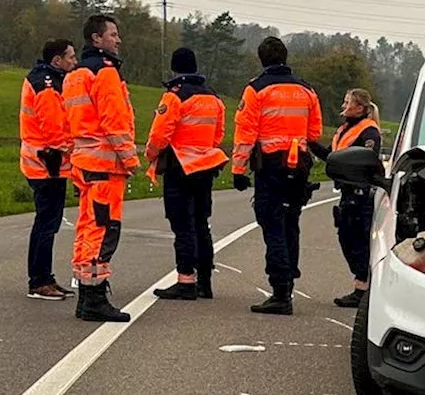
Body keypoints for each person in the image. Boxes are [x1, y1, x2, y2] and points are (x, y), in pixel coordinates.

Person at [232, 36, 324, 315]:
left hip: (271, 165)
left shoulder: (256, 89)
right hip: (299, 165)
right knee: (290, 223)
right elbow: (314, 133)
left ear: (261, 59)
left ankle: (280, 290)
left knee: (272, 226)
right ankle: (288, 283)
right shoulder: (306, 89)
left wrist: (238, 170)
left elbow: (245, 134)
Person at [63, 14, 138, 322]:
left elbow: (70, 123)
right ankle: (94, 298)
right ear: (97, 39)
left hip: (84, 161)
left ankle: (86, 293)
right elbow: (115, 121)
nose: (118, 40)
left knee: (86, 228)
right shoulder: (105, 74)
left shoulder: (73, 75)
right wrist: (130, 159)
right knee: (103, 230)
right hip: (106, 164)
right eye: (113, 34)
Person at [145, 47, 228, 301]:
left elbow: (160, 134)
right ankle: (205, 281)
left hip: (179, 167)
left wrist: (151, 155)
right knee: (202, 223)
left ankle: (185, 280)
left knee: (182, 225)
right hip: (205, 167)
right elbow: (219, 133)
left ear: (174, 69)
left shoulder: (174, 96)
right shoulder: (213, 97)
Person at [20, 38, 79, 301]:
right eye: (70, 57)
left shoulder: (45, 79)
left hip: (44, 164)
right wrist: (75, 151)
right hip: (45, 164)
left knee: (46, 223)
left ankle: (44, 277)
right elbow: (55, 130)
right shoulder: (47, 85)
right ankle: (40, 281)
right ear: (57, 60)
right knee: (47, 224)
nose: (74, 62)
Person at [329, 88, 382, 309]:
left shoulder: (369, 132)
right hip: (347, 192)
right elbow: (334, 156)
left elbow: (366, 159)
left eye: (347, 102)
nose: (344, 106)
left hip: (361, 194)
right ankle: (361, 285)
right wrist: (308, 142)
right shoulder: (345, 130)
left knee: (358, 241)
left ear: (360, 107)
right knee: (347, 239)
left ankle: (363, 288)